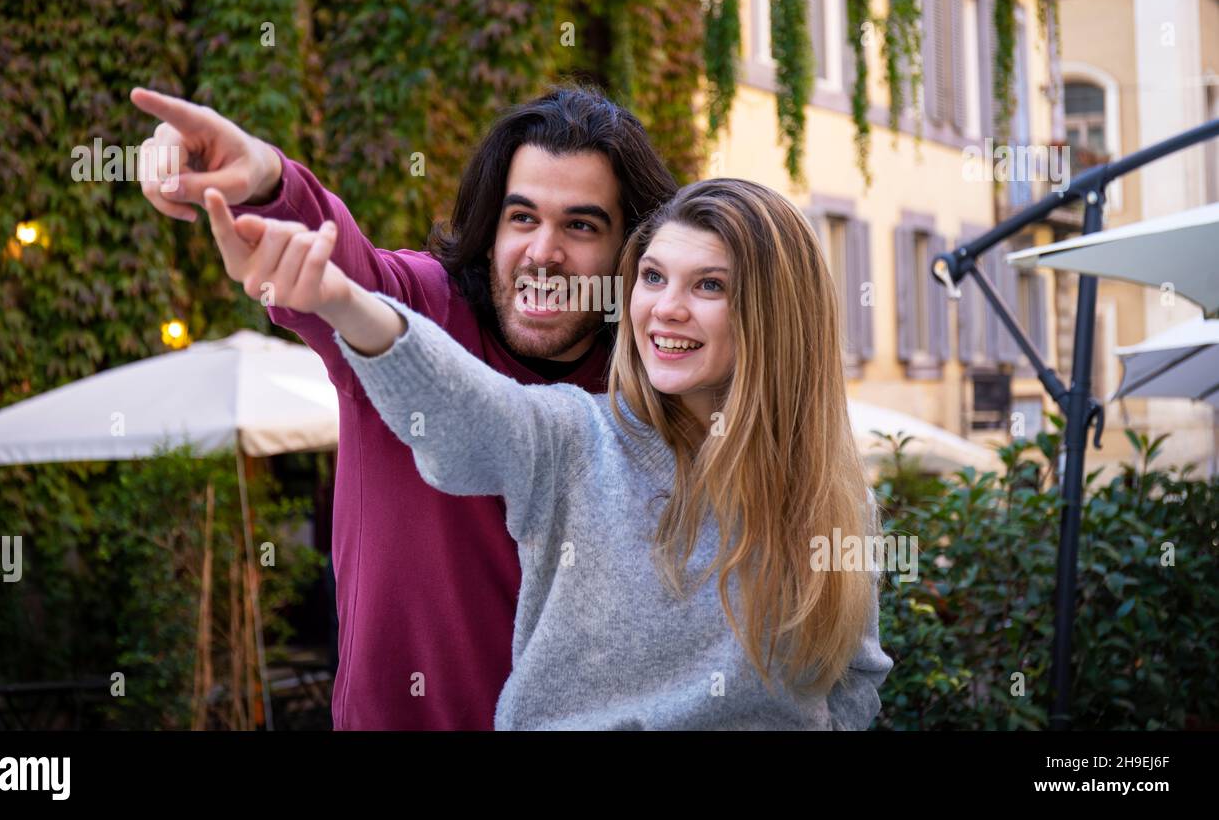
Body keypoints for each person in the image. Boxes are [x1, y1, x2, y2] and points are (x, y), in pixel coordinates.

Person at [201, 176, 894, 729]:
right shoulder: (574, 438)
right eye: (653, 278)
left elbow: (854, 680)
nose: (666, 309)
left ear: (775, 317)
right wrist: (340, 299)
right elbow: (462, 409)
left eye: (708, 285)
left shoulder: (832, 497)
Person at [131, 85, 677, 729]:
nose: (543, 253)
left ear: (631, 252)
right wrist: (263, 177)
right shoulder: (419, 314)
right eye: (522, 217)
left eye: (581, 225)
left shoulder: (652, 392)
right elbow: (344, 271)